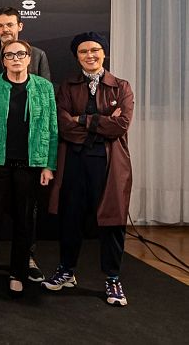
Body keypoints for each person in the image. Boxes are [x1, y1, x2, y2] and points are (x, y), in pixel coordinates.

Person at [43, 32, 134, 307]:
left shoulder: (121, 86)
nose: (90, 55)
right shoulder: (67, 86)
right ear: (77, 56)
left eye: (95, 50)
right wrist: (101, 123)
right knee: (71, 217)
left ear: (104, 53)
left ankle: (113, 278)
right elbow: (62, 124)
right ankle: (67, 270)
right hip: (74, 161)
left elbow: (121, 125)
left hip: (109, 164)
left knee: (113, 221)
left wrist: (82, 119)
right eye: (83, 51)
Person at [0, 6, 52, 281]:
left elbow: (47, 119)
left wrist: (46, 163)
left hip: (28, 159)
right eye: (0, 25)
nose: (5, 29)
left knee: (25, 215)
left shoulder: (40, 62)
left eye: (10, 24)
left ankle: (23, 263)